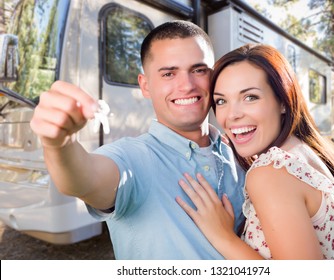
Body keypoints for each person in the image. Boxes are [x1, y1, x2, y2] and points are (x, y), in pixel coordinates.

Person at [30, 20, 245, 259]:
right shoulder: (133, 156)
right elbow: (84, 179)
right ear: (145, 86)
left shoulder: (236, 151)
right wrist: (59, 145)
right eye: (168, 74)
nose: (186, 85)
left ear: (213, 77)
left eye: (198, 70)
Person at [176, 43, 334, 260]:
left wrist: (223, 237)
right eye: (221, 101)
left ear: (283, 102)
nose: (231, 115)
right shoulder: (310, 151)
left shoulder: (272, 172)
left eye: (250, 97)